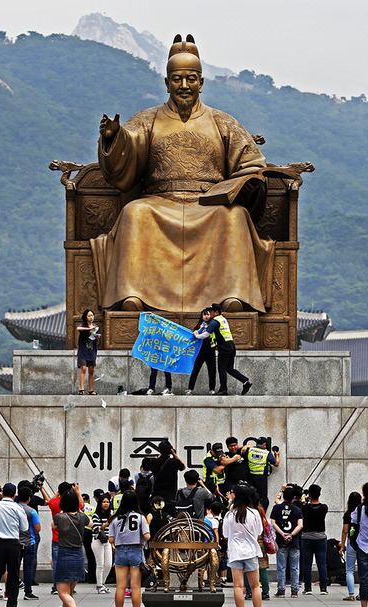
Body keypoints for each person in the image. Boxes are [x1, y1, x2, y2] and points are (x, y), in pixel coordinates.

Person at [91, 35, 275, 314]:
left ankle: (233, 295)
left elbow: (252, 163)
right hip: (160, 202)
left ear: (201, 82)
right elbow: (126, 154)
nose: (185, 86)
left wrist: (248, 182)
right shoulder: (147, 119)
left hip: (209, 204)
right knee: (135, 212)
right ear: (167, 83)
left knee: (235, 217)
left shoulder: (223, 122)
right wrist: (114, 138)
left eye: (191, 79)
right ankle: (133, 295)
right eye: (177, 79)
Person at [222, 483, 264, 607]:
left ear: (236, 496)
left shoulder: (229, 515)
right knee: (255, 586)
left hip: (235, 553)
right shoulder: (255, 513)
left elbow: (226, 535)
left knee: (238, 587)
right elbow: (259, 532)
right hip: (251, 551)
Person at [109, 491, 151, 607]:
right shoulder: (140, 517)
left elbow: (111, 539)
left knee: (120, 587)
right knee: (135, 586)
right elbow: (147, 536)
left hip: (120, 551)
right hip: (136, 551)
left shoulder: (115, 519)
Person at [194, 303, 252, 395]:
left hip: (224, 347)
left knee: (222, 368)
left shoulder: (215, 321)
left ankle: (223, 389)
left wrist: (197, 335)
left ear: (216, 312)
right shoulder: (223, 319)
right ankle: (246, 381)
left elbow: (206, 334)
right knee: (229, 369)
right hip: (231, 346)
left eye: (211, 311)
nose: (209, 313)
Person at [53, 489, 90, 607]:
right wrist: (81, 511)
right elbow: (90, 524)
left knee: (62, 592)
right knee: (69, 593)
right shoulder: (82, 517)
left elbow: (53, 526)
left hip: (64, 555)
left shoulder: (60, 517)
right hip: (78, 555)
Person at [48, 481, 84, 595]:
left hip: (56, 538)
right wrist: (77, 492)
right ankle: (70, 585)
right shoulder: (74, 503)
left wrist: (58, 492)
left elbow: (50, 501)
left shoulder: (54, 503)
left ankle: (55, 587)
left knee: (57, 563)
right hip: (71, 539)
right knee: (70, 563)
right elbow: (82, 505)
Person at [270, 486, 303, 598]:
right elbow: (300, 525)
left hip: (281, 541)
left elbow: (273, 523)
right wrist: (291, 534)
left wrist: (282, 533)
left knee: (281, 567)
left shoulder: (277, 508)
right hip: (294, 541)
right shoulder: (297, 510)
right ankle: (294, 591)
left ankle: (281, 590)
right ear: (294, 497)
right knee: (294, 567)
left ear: (283, 496)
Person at [299, 483, 329, 595]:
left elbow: (304, 508)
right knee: (322, 563)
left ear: (309, 494)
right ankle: (323, 588)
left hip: (307, 537)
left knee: (307, 563)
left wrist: (306, 500)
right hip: (321, 537)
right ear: (319, 494)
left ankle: (307, 588)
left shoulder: (305, 508)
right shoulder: (324, 507)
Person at [241, 438, 278, 510]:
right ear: (264, 444)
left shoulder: (250, 450)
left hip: (251, 477)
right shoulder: (266, 453)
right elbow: (276, 463)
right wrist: (277, 455)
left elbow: (242, 450)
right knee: (263, 499)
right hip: (261, 478)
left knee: (251, 496)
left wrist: (247, 446)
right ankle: (260, 514)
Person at [338, 491, 362, 601]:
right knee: (363, 569)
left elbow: (345, 531)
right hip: (363, 543)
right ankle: (363, 593)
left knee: (349, 570)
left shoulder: (348, 514)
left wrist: (342, 545)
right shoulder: (363, 512)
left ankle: (351, 594)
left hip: (351, 542)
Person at [186, 308, 217, 394]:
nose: (206, 316)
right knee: (195, 370)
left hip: (210, 351)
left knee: (212, 371)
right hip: (200, 351)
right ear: (202, 316)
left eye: (208, 314)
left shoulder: (213, 325)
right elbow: (194, 336)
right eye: (204, 314)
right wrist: (199, 330)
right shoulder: (198, 326)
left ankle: (212, 389)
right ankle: (190, 389)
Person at [151, 440, 186, 514]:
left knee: (158, 516)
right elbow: (183, 466)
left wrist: (159, 456)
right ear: (170, 450)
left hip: (158, 494)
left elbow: (153, 467)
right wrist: (174, 454)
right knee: (171, 518)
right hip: (171, 495)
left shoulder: (154, 462)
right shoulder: (174, 462)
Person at [90, 494, 114, 594]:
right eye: (104, 502)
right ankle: (99, 585)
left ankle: (102, 583)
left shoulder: (111, 515)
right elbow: (96, 530)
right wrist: (108, 523)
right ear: (100, 503)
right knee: (100, 564)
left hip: (107, 541)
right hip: (97, 541)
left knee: (108, 564)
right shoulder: (95, 515)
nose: (106, 504)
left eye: (107, 502)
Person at [76, 309, 99, 395]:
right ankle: (82, 389)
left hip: (91, 351)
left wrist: (97, 337)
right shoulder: (83, 326)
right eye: (89, 316)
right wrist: (89, 328)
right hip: (83, 351)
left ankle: (91, 390)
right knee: (83, 369)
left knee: (91, 371)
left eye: (92, 315)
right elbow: (78, 328)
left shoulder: (95, 327)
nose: (91, 317)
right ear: (86, 317)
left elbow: (97, 336)